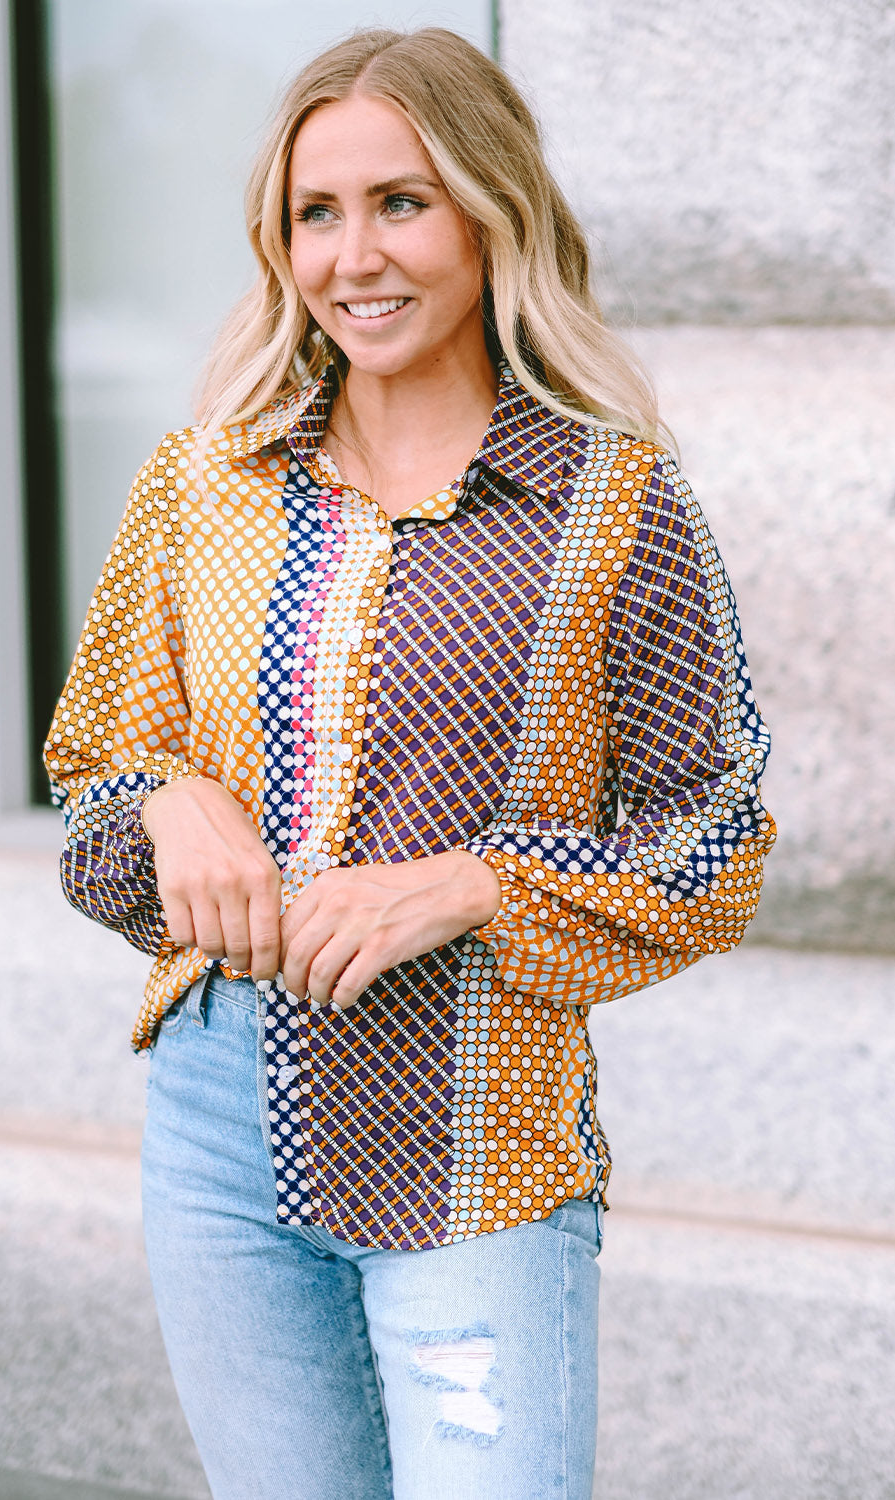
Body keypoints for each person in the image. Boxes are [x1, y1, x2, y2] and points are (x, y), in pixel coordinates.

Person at [45, 26, 775, 1500]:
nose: (353, 256)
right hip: (215, 1131)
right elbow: (94, 795)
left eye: (401, 202)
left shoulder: (611, 505)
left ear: (491, 215)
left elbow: (715, 842)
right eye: (317, 213)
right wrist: (172, 806)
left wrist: (472, 884)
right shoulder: (201, 483)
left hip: (477, 1144)